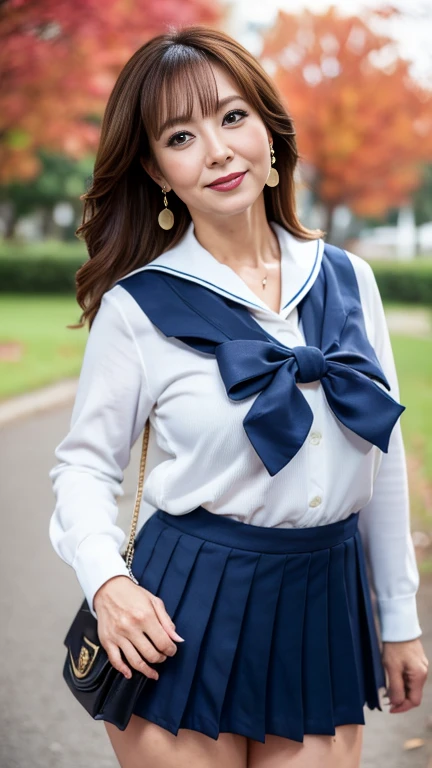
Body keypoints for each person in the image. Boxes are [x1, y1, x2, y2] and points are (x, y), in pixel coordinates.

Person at [48, 24, 428, 768]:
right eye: (181, 136)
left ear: (268, 129)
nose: (218, 150)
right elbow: (84, 468)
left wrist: (401, 618)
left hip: (324, 604)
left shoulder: (350, 280)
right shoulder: (140, 306)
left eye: (231, 118)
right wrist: (108, 585)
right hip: (185, 607)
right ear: (157, 170)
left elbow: (382, 465)